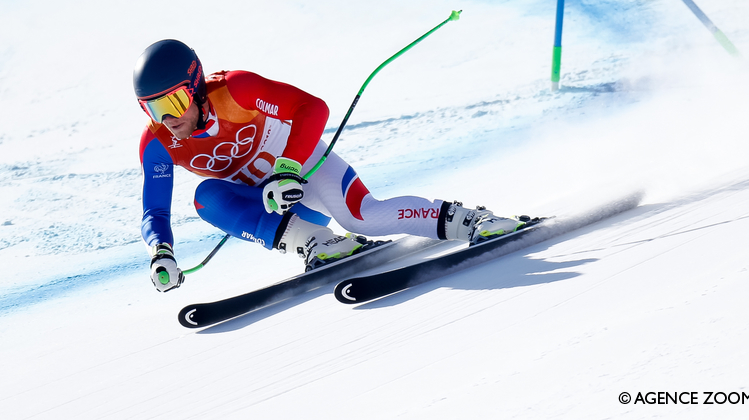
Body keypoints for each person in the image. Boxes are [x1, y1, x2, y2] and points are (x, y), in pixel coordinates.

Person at [135, 39, 525, 292]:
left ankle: (471, 221)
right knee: (206, 197)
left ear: (196, 88)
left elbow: (312, 108)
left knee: (362, 216)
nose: (166, 119)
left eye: (172, 104)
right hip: (278, 210)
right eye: (152, 109)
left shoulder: (236, 90)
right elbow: (154, 208)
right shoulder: (157, 143)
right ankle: (318, 244)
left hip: (302, 169)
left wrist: (286, 167)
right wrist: (161, 251)